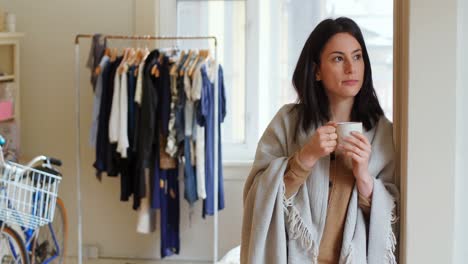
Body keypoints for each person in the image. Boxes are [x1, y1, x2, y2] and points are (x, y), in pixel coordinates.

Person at [241, 17, 399, 264]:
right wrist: (304, 158)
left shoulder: (382, 133)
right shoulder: (287, 122)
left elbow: (394, 218)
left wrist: (364, 177)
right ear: (316, 70)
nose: (351, 68)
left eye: (357, 57)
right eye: (338, 58)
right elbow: (256, 199)